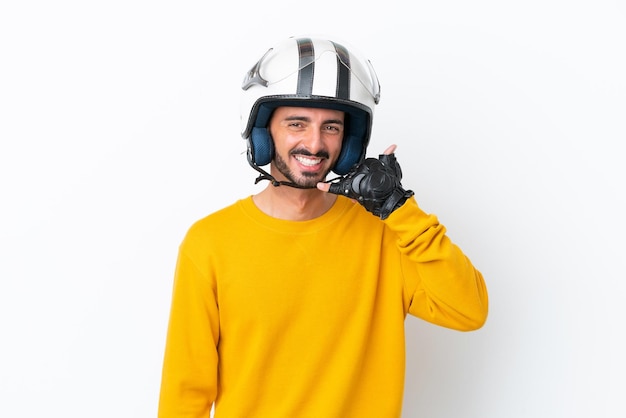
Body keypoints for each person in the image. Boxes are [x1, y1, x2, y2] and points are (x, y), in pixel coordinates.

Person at [158, 35, 488, 418]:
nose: (314, 143)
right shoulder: (210, 242)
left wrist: (398, 207)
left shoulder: (384, 233)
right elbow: (185, 394)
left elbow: (469, 310)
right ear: (265, 133)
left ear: (348, 142)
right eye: (297, 123)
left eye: (331, 128)